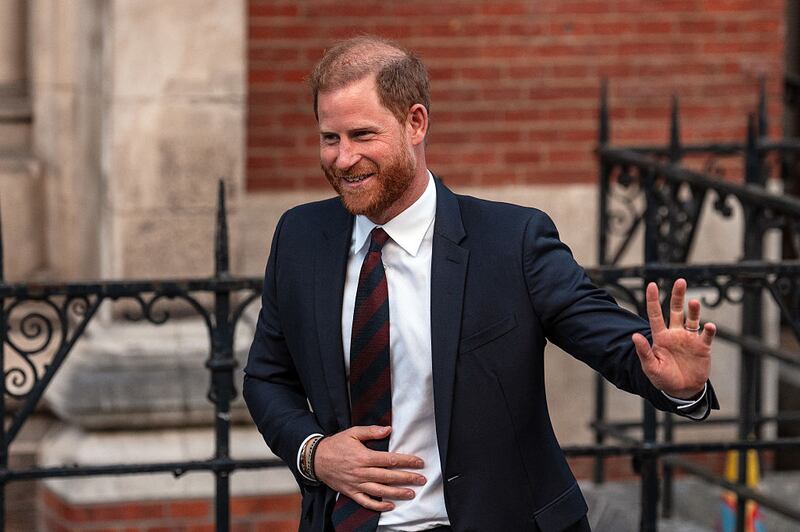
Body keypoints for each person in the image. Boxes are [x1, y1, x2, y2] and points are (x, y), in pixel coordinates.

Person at [243, 36, 718, 532]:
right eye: (329, 138)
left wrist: (680, 386)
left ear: (416, 123)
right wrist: (314, 453)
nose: (342, 159)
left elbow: (613, 341)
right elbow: (266, 377)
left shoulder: (512, 241)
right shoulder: (299, 237)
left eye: (362, 135)